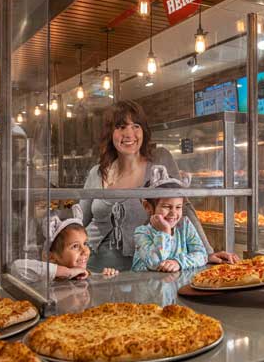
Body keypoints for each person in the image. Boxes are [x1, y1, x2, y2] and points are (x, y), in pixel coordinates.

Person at [80, 101, 239, 271]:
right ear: (110, 133)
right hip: (95, 267)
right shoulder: (97, 172)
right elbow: (80, 220)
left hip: (144, 266)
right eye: (121, 127)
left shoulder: (160, 159)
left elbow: (183, 206)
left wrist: (207, 252)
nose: (129, 133)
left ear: (144, 131)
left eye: (136, 126)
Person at [11, 205, 118, 282]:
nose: (85, 250)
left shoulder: (85, 273)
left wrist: (104, 276)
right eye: (75, 246)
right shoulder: (44, 278)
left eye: (85, 243)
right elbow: (17, 268)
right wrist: (67, 272)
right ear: (51, 257)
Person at [132, 166, 208, 272]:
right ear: (147, 207)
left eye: (178, 207)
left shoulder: (185, 226)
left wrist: (178, 262)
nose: (173, 213)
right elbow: (154, 263)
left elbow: (202, 255)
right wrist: (165, 233)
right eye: (166, 207)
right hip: (149, 286)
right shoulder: (142, 233)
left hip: (177, 285)